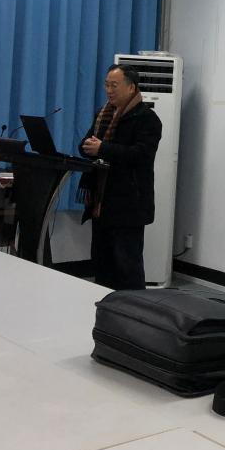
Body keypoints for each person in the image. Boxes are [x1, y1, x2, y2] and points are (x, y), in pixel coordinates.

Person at [79, 64, 162, 290]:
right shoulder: (103, 114)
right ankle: (104, 303)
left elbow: (141, 155)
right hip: (102, 201)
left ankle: (134, 307)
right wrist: (87, 146)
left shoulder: (147, 119)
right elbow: (86, 144)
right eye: (106, 85)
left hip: (130, 203)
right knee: (101, 261)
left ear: (131, 87)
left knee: (127, 264)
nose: (109, 90)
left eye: (114, 85)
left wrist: (102, 148)